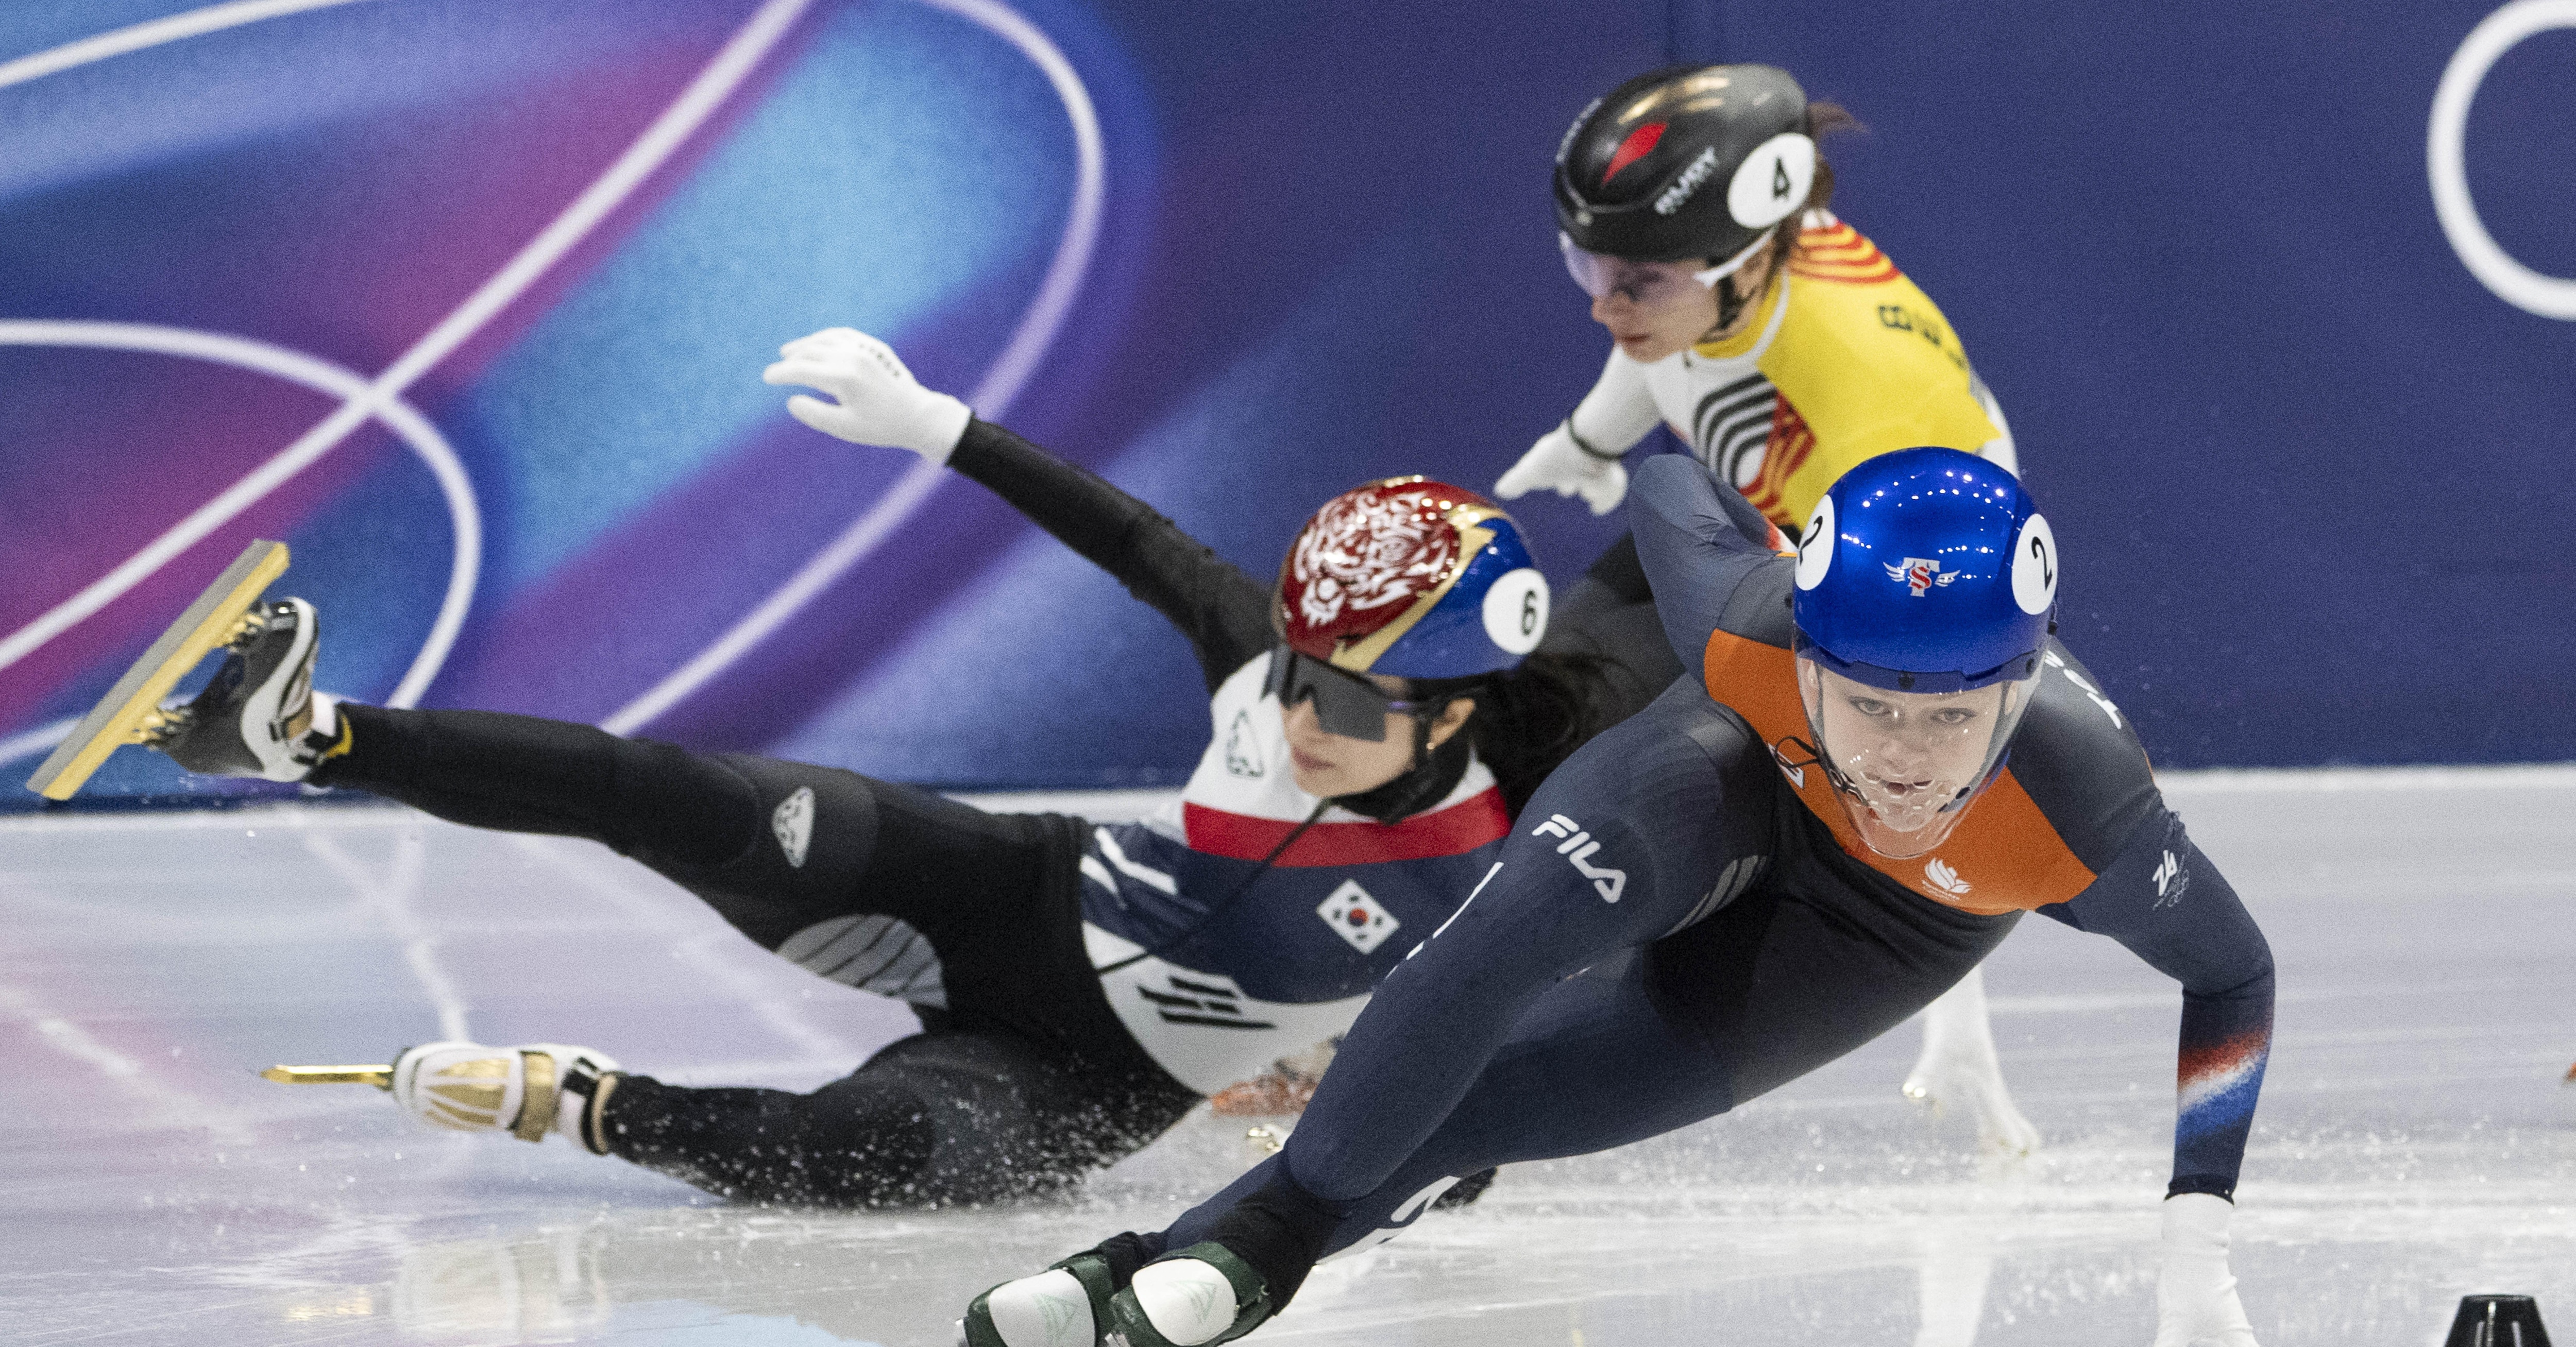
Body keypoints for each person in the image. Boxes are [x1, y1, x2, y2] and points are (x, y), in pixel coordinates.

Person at [941, 448, 2307, 1347]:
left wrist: (2198, 1218)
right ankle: (1252, 1247)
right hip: (1731, 766)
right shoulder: (1751, 625)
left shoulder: (2086, 814)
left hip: (1895, 927)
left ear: (2017, 693)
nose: (1899, 758)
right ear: (1807, 647)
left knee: (1512, 1102)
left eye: (1950, 717)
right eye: (1868, 700)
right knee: (1493, 958)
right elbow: (1673, 480)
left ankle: (1184, 1260)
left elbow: (2232, 972)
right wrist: (1658, 458)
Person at [133, 329, 1659, 1209]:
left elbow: (1511, 1063)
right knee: (675, 793)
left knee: (863, 1153)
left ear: (1455, 713)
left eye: (1355, 703)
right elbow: (1134, 539)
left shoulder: (1484, 870)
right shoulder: (1272, 663)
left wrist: (1384, 1130)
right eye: (1297, 674)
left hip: (1088, 1078)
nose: (1302, 715)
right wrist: (941, 426)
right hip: (1013, 893)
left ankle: (583, 1101)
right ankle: (300, 733)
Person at [1499, 62, 2036, 1151]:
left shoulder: (1867, 394)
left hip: (1891, 548)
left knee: (1768, 776)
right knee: (1533, 712)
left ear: (1743, 261)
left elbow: (1930, 758)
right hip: (1750, 506)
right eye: (1584, 265)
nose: (1605, 303)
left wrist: (1952, 1013)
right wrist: (1593, 440)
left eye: (1634, 280)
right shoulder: (1721, 270)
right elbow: (1665, 348)